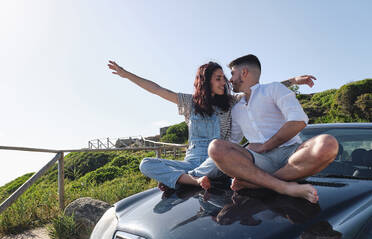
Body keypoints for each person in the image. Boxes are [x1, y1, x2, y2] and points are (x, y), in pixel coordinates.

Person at [107, 60, 314, 192]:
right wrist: (127, 75)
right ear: (205, 81)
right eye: (218, 79)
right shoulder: (189, 103)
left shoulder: (232, 102)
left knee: (218, 157)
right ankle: (189, 179)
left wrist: (294, 80)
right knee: (146, 163)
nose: (223, 82)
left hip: (216, 161)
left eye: (224, 79)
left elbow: (259, 89)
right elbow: (157, 89)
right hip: (191, 162)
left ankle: (183, 181)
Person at [207, 54, 339, 203]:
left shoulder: (274, 89)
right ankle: (283, 187)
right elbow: (232, 142)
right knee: (215, 147)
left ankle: (258, 184)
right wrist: (202, 173)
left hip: (293, 158)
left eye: (232, 74)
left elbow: (298, 121)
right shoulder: (236, 109)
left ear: (244, 73)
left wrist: (265, 146)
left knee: (328, 143)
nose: (229, 80)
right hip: (258, 163)